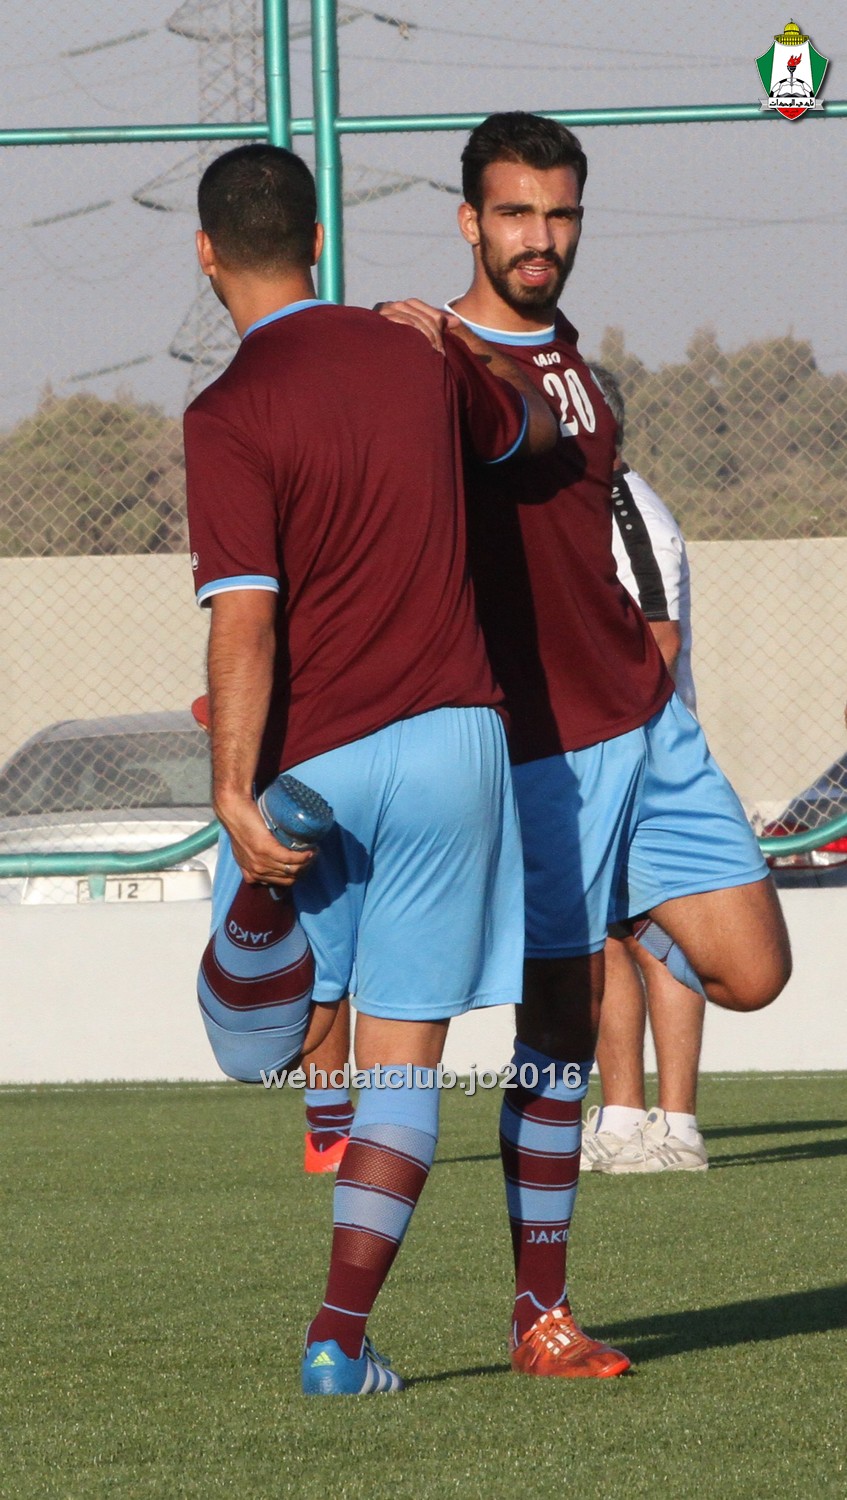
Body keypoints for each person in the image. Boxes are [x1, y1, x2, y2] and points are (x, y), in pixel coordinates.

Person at [379, 111, 791, 1380]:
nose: (539, 237)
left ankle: (612, 903)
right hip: (542, 748)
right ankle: (539, 1314)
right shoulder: (428, 365)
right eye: (514, 213)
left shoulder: (574, 365)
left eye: (558, 214)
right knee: (556, 1025)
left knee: (752, 971)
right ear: (469, 221)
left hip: (647, 720)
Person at [183, 143, 557, 1397]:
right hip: (457, 744)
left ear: (205, 255)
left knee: (269, 1043)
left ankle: (262, 903)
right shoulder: (413, 350)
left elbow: (247, 618)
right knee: (404, 1067)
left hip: (320, 754)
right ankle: (337, 1342)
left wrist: (231, 788)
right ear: (317, 242)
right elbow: (532, 427)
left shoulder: (225, 411)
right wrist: (466, 351)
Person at [580, 363, 708, 1174]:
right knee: (602, 936)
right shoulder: (568, 509)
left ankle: (679, 1125)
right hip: (593, 757)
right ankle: (623, 1117)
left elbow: (658, 640)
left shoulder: (630, 511)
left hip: (647, 755)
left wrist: (605, 742)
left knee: (664, 937)